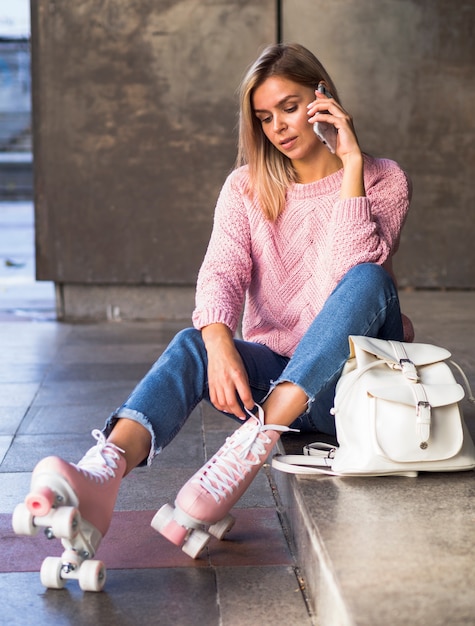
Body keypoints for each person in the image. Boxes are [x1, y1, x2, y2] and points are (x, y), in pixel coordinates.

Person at [14, 43, 413, 576]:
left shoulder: (383, 178)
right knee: (193, 343)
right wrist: (219, 342)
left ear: (324, 98)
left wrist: (352, 164)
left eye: (290, 107)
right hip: (280, 388)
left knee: (368, 279)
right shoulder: (247, 186)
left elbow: (347, 278)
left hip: (355, 388)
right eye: (264, 118)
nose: (279, 128)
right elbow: (221, 273)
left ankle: (252, 442)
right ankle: (101, 474)